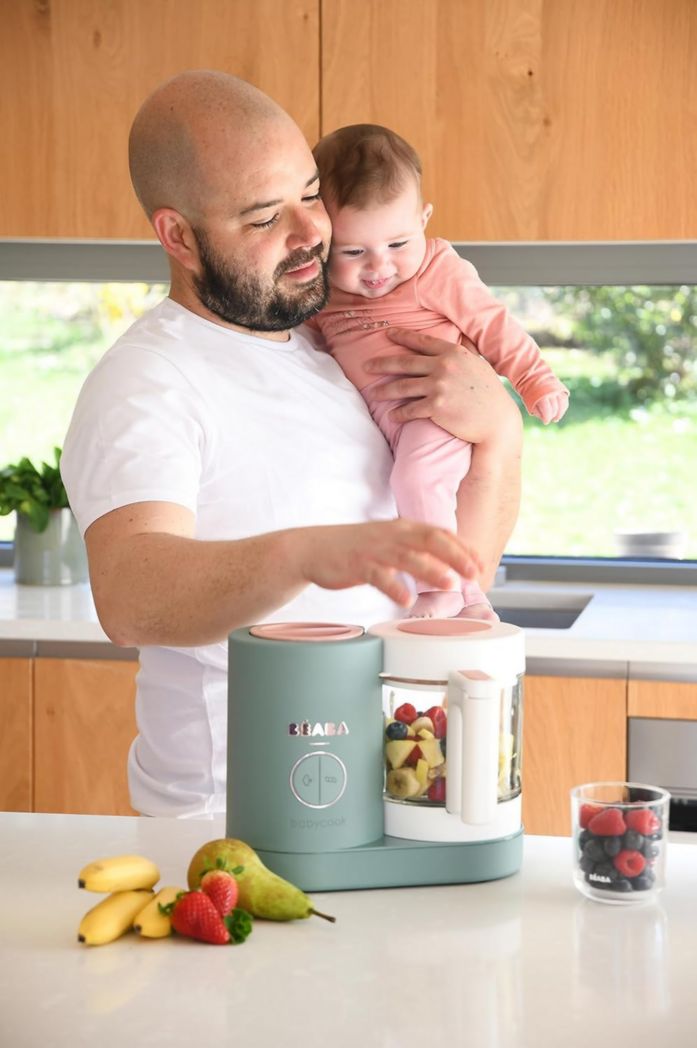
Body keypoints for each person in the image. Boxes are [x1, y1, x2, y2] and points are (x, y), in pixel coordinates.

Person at [61, 70, 523, 818]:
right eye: (262, 216)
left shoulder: (329, 346)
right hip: (233, 821)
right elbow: (132, 597)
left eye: (310, 194)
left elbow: (457, 568)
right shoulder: (149, 381)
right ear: (178, 235)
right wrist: (307, 553)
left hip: (384, 791)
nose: (312, 231)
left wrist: (500, 435)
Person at [309, 123, 570, 619]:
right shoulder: (321, 296)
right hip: (394, 422)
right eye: (352, 251)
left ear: (424, 219)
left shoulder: (435, 269)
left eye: (398, 243)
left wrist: (535, 379)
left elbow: (491, 324)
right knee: (415, 487)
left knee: (416, 481)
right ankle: (471, 598)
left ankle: (439, 587)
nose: (378, 267)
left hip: (435, 411)